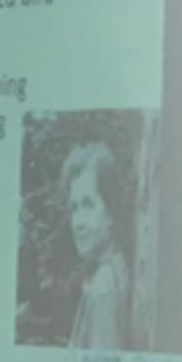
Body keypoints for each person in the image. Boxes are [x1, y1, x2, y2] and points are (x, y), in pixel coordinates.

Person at [63, 140, 133, 350]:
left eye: (88, 204)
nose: (78, 222)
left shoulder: (103, 289)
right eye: (74, 208)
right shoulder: (115, 266)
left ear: (110, 211)